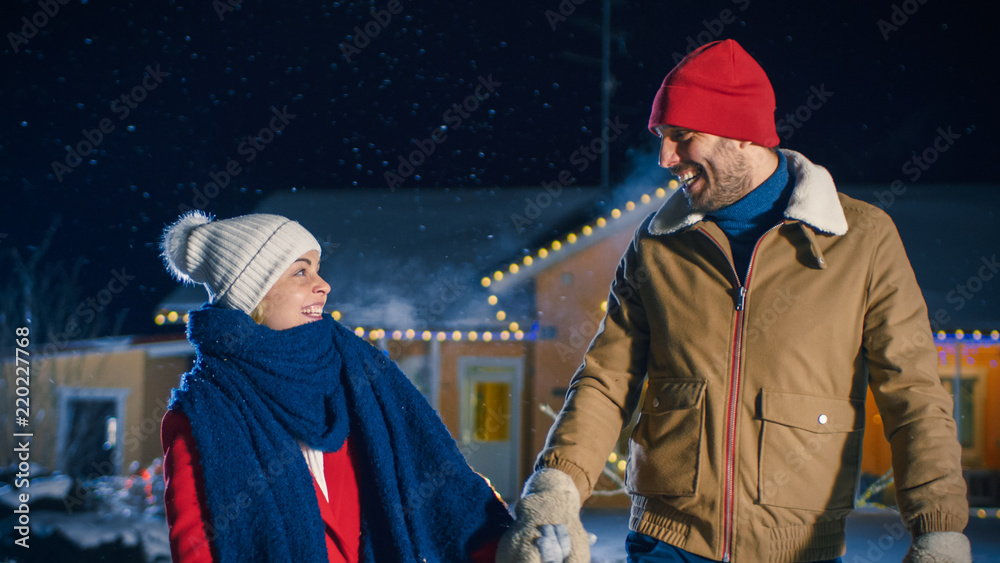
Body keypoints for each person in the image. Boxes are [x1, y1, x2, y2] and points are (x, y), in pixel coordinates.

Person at [498, 39, 971, 563]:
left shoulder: (861, 241)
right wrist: (556, 490)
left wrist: (938, 530)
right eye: (662, 138)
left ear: (742, 134)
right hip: (666, 543)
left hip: (798, 550)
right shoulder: (657, 245)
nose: (665, 158)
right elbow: (605, 381)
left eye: (682, 137)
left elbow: (914, 397)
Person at [158, 211, 510, 562]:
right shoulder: (203, 414)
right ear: (255, 293)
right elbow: (198, 551)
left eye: (316, 268)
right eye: (301, 271)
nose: (323, 285)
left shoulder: (358, 376)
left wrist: (514, 549)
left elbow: (447, 492)